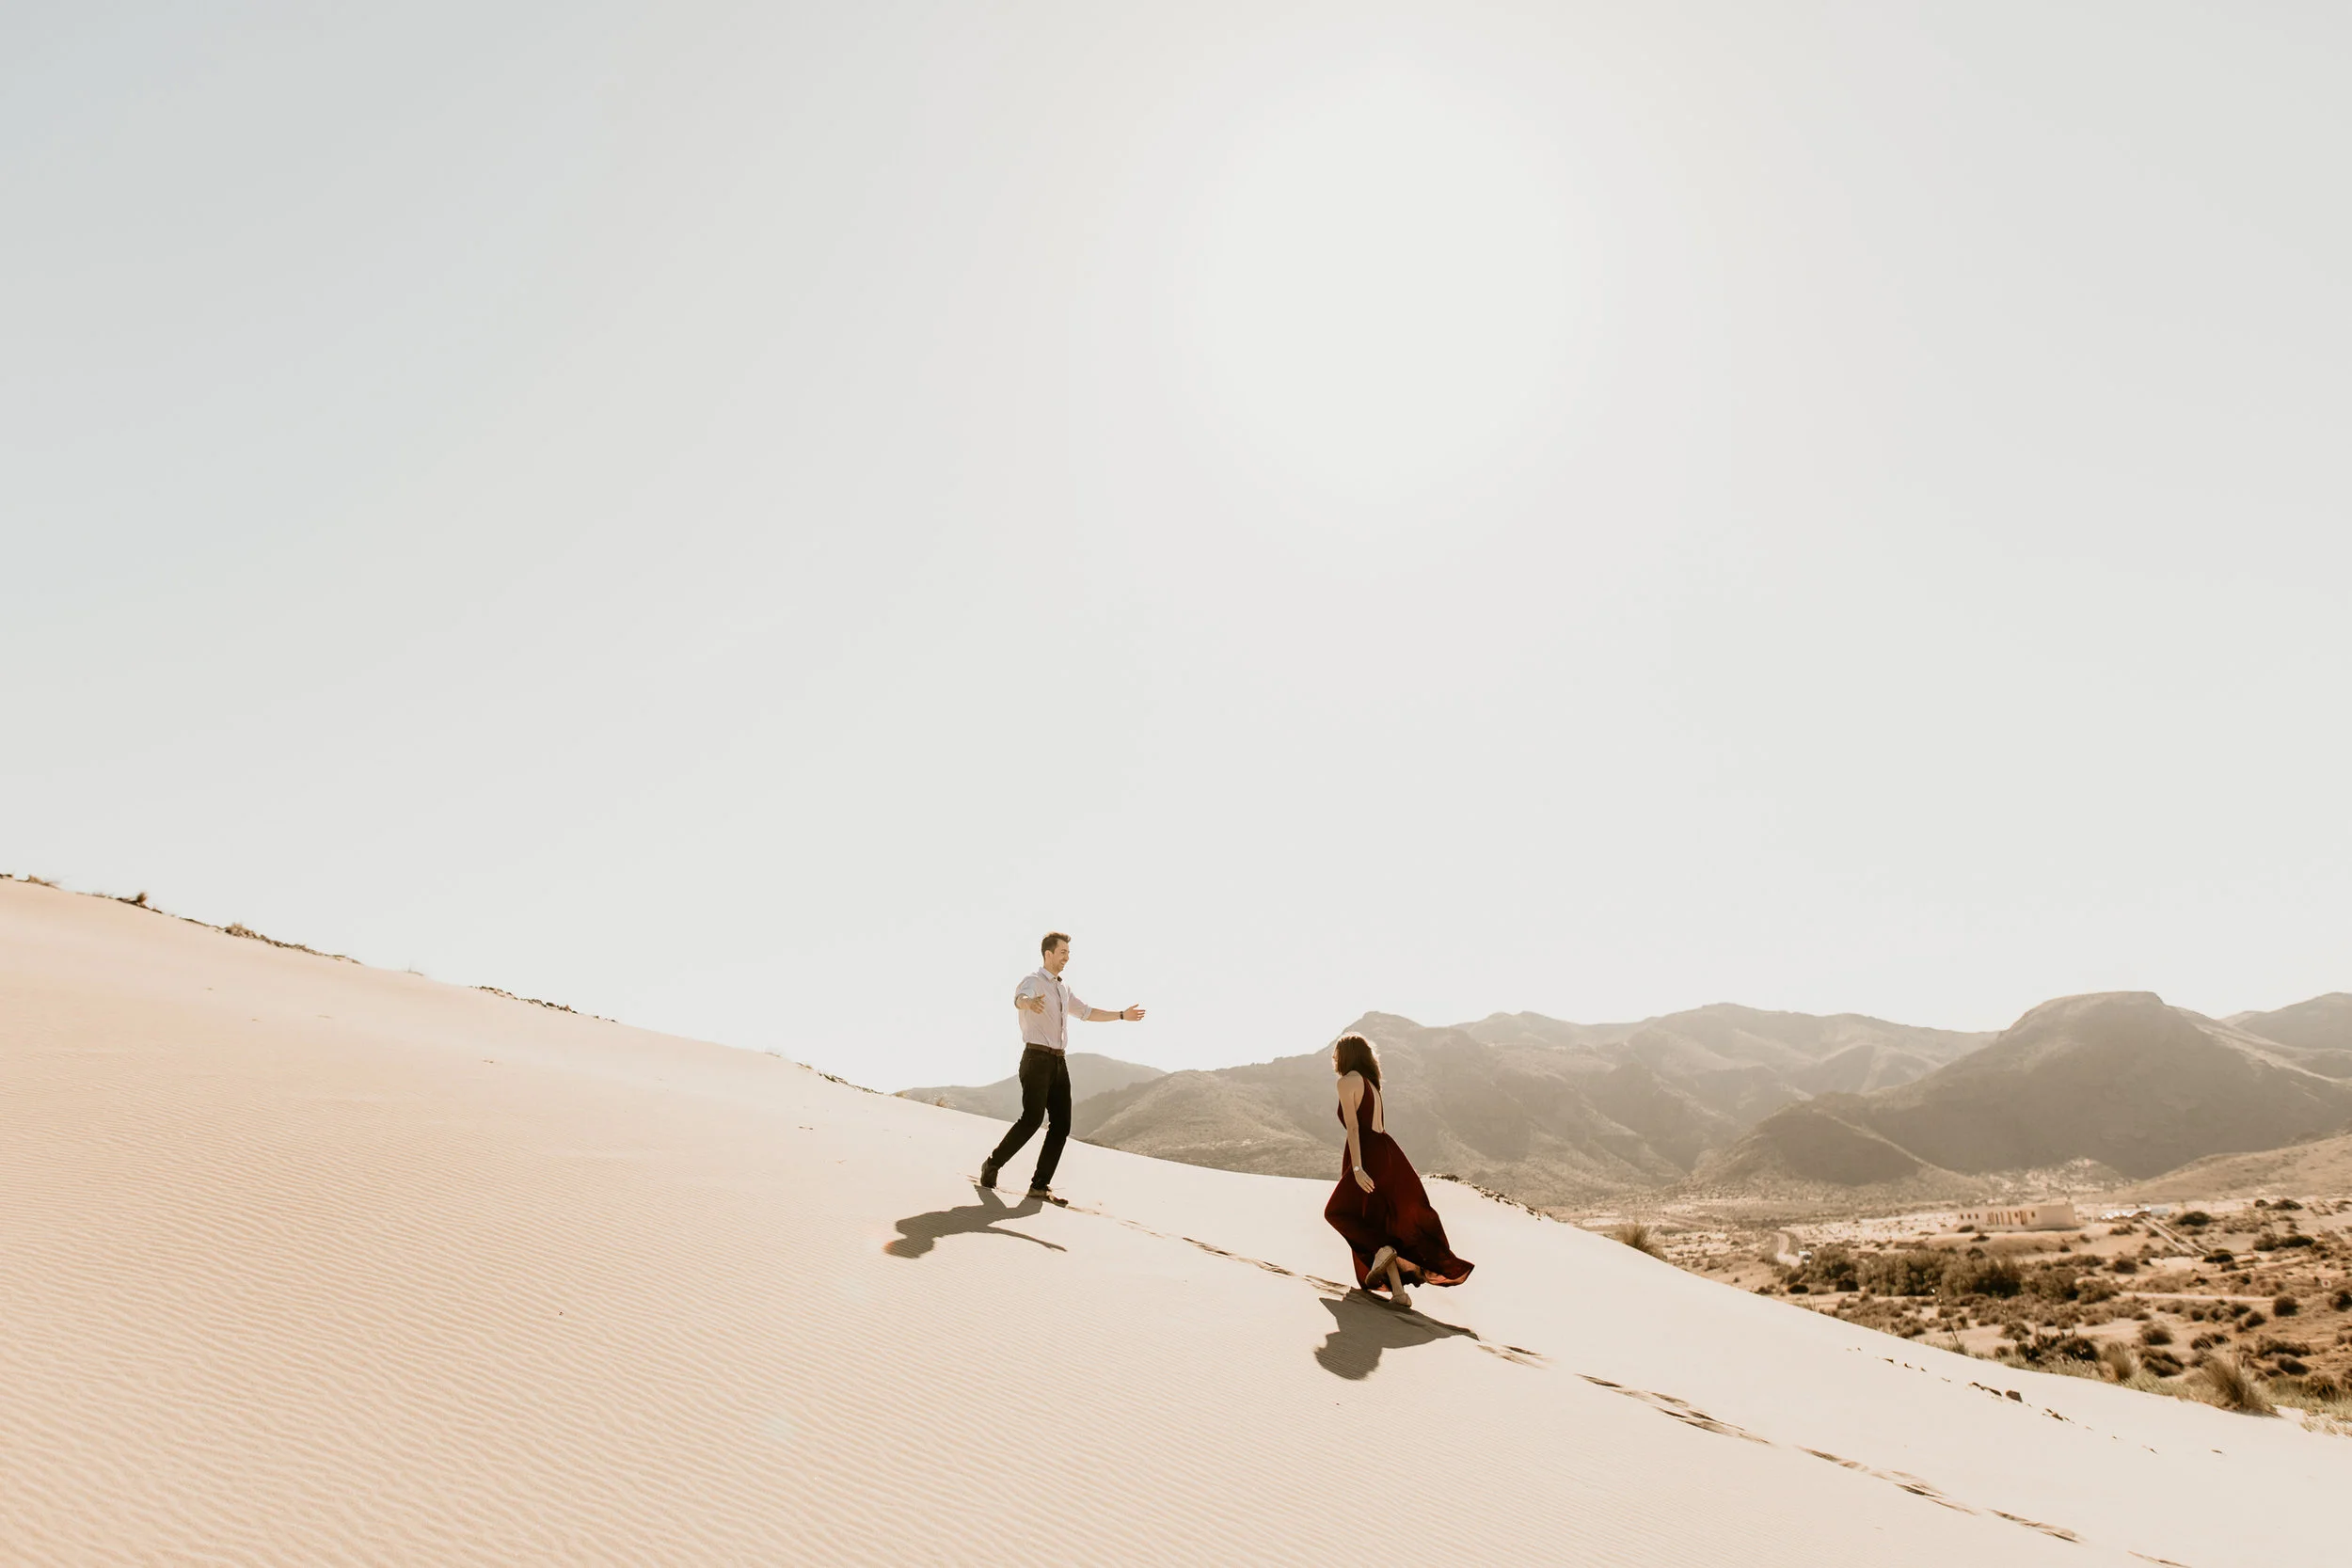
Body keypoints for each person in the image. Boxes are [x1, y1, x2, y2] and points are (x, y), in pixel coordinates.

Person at [978, 931, 1145, 1201]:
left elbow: (1087, 1013)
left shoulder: (1063, 989)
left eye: (1068, 952)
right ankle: (992, 1164)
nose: (1067, 957)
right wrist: (1027, 1003)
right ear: (1048, 953)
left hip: (1058, 1061)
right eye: (1063, 952)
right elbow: (1019, 999)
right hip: (1036, 1060)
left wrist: (1122, 1016)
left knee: (1061, 1125)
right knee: (1032, 1120)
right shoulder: (1033, 981)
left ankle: (1039, 1185)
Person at [1323, 1033, 1472, 1308]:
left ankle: (1384, 1252)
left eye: (1336, 1054)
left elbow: (1355, 1128)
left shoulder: (1347, 1082)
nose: (1333, 1059)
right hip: (1387, 1153)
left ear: (1344, 1056)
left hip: (1367, 1155)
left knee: (1335, 1212)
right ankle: (1398, 1293)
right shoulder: (1371, 1085)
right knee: (1377, 1223)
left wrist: (1357, 1167)